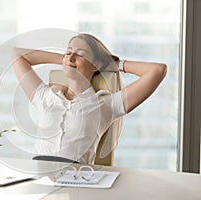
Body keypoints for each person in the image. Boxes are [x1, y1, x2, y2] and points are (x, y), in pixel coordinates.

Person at [11, 33, 167, 164]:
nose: (71, 56)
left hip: (77, 184)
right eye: (68, 51)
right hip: (38, 181)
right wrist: (66, 60)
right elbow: (17, 54)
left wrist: (113, 64)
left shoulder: (105, 105)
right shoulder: (46, 97)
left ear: (95, 65)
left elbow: (157, 70)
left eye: (80, 54)